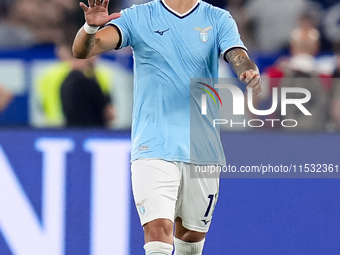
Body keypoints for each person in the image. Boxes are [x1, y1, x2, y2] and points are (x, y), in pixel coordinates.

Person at [72, 0, 261, 254]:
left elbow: (235, 53)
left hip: (202, 148)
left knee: (191, 237)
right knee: (158, 229)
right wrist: (90, 28)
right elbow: (83, 50)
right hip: (153, 144)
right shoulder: (138, 16)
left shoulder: (218, 18)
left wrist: (245, 67)